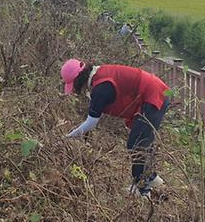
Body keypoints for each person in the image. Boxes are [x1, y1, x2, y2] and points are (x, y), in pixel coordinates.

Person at [61, 60, 170, 197]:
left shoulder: (101, 88)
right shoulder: (99, 75)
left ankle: (147, 184)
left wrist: (68, 137)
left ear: (78, 80)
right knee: (140, 144)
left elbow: (91, 122)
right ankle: (148, 185)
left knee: (136, 145)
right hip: (156, 92)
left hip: (155, 95)